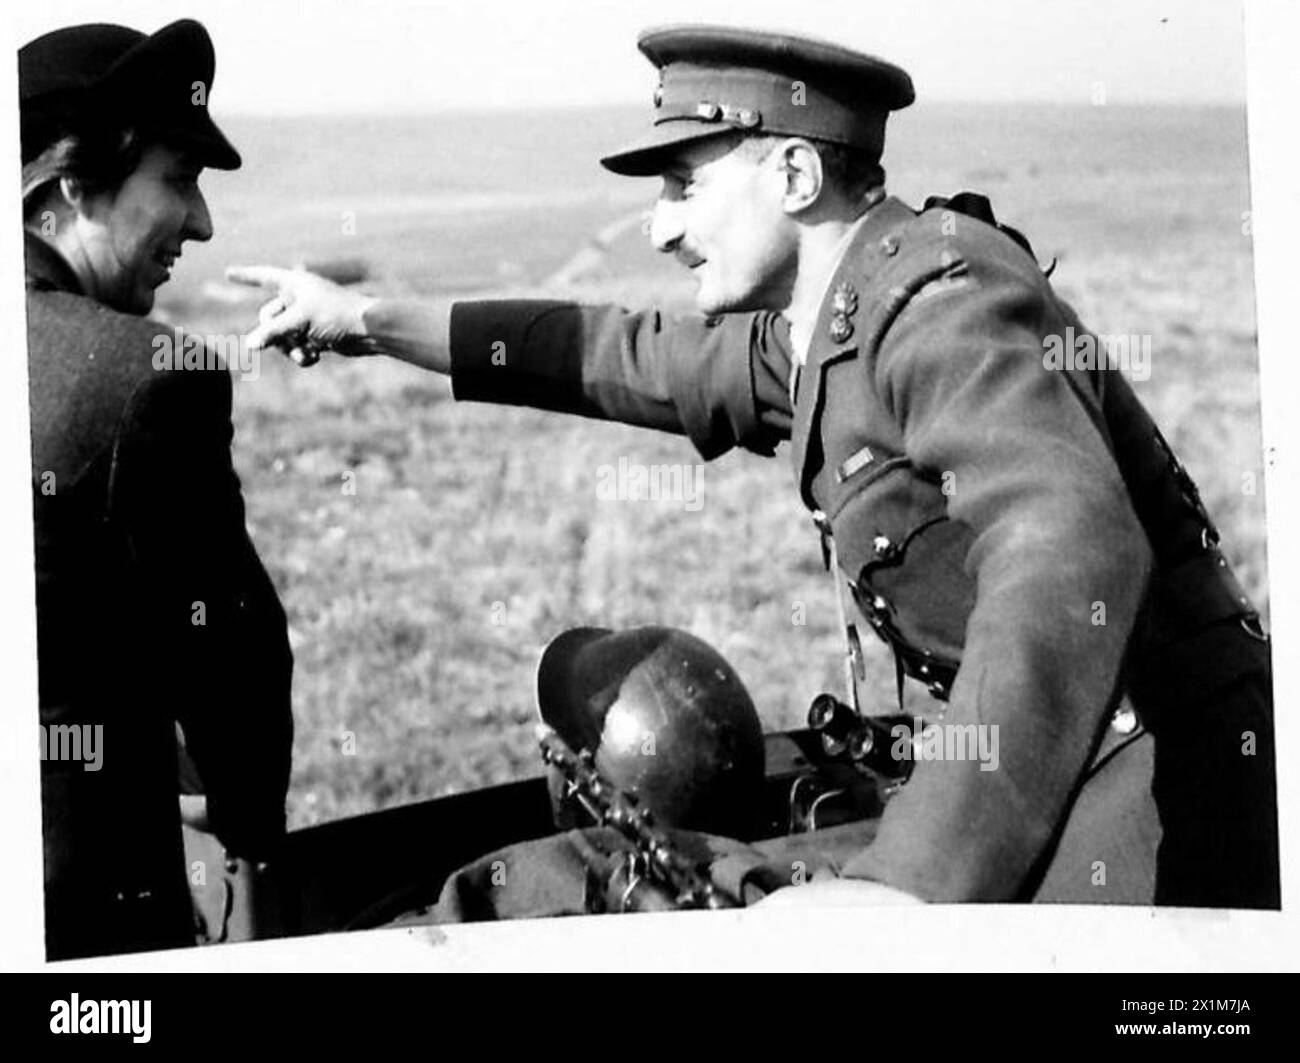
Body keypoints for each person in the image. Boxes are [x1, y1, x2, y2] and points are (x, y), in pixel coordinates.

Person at [230, 25, 1277, 909]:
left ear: (792, 172)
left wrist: (899, 895)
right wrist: (366, 320)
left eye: (684, 186)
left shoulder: (941, 307)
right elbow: (619, 357)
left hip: (1157, 799)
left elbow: (1070, 548)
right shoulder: (832, 323)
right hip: (1046, 766)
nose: (660, 227)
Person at [21, 19, 294, 958]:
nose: (204, 222)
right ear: (68, 190)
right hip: (86, 920)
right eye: (178, 181)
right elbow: (237, 673)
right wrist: (249, 828)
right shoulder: (149, 377)